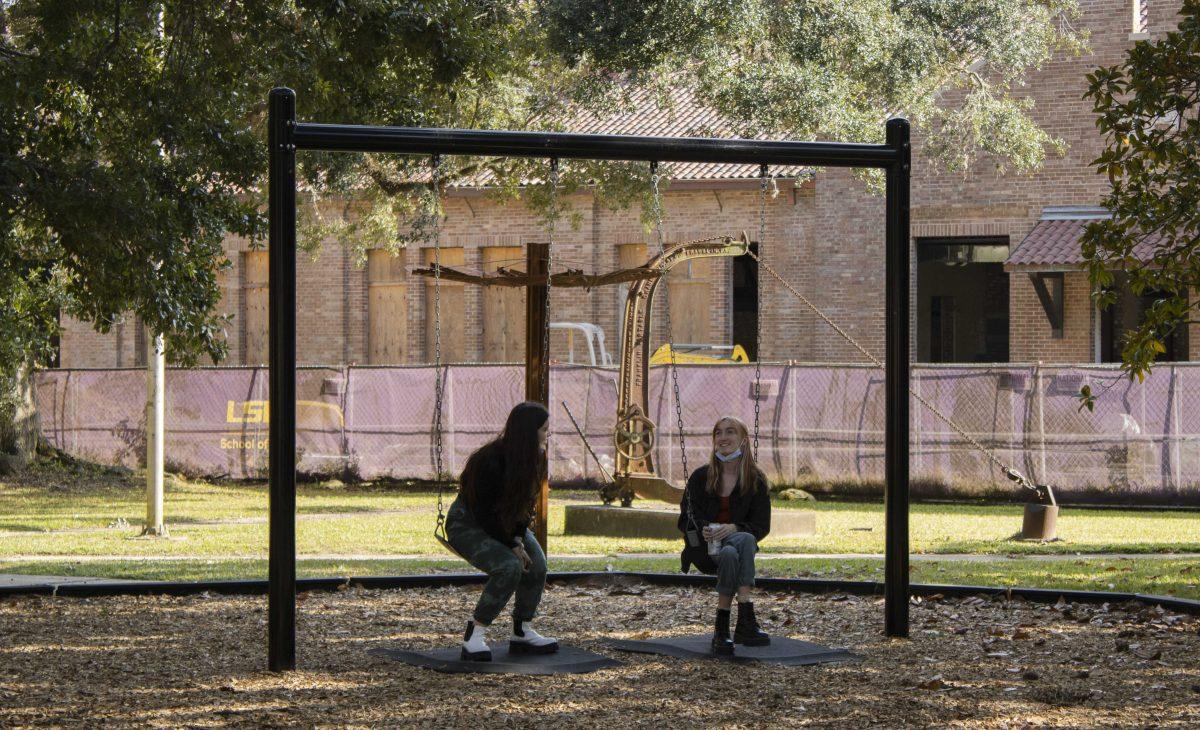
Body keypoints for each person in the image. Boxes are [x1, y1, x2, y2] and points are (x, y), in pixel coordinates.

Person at [445, 401, 558, 661]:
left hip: (506, 524)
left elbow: (526, 505)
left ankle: (522, 630)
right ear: (528, 432)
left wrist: (518, 537)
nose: (547, 435)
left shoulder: (535, 459)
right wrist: (512, 545)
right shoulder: (488, 460)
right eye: (543, 429)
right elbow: (484, 513)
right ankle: (474, 635)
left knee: (537, 565)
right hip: (469, 523)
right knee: (509, 567)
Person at [678, 416, 771, 655]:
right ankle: (746, 618)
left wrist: (734, 528)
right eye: (718, 433)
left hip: (733, 549)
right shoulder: (701, 477)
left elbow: (762, 526)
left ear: (743, 440)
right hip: (705, 550)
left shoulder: (755, 480)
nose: (723, 438)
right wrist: (705, 529)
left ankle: (721, 628)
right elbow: (685, 518)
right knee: (745, 541)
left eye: (730, 432)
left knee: (735, 548)